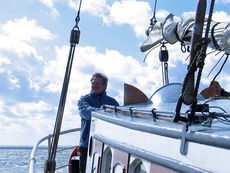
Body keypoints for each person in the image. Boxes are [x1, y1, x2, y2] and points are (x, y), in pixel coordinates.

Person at [77, 72, 119, 173]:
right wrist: (103, 111)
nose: (94, 85)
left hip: (107, 147)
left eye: (97, 83)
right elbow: (85, 113)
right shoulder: (83, 100)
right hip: (87, 146)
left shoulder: (113, 103)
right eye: (93, 83)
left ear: (105, 86)